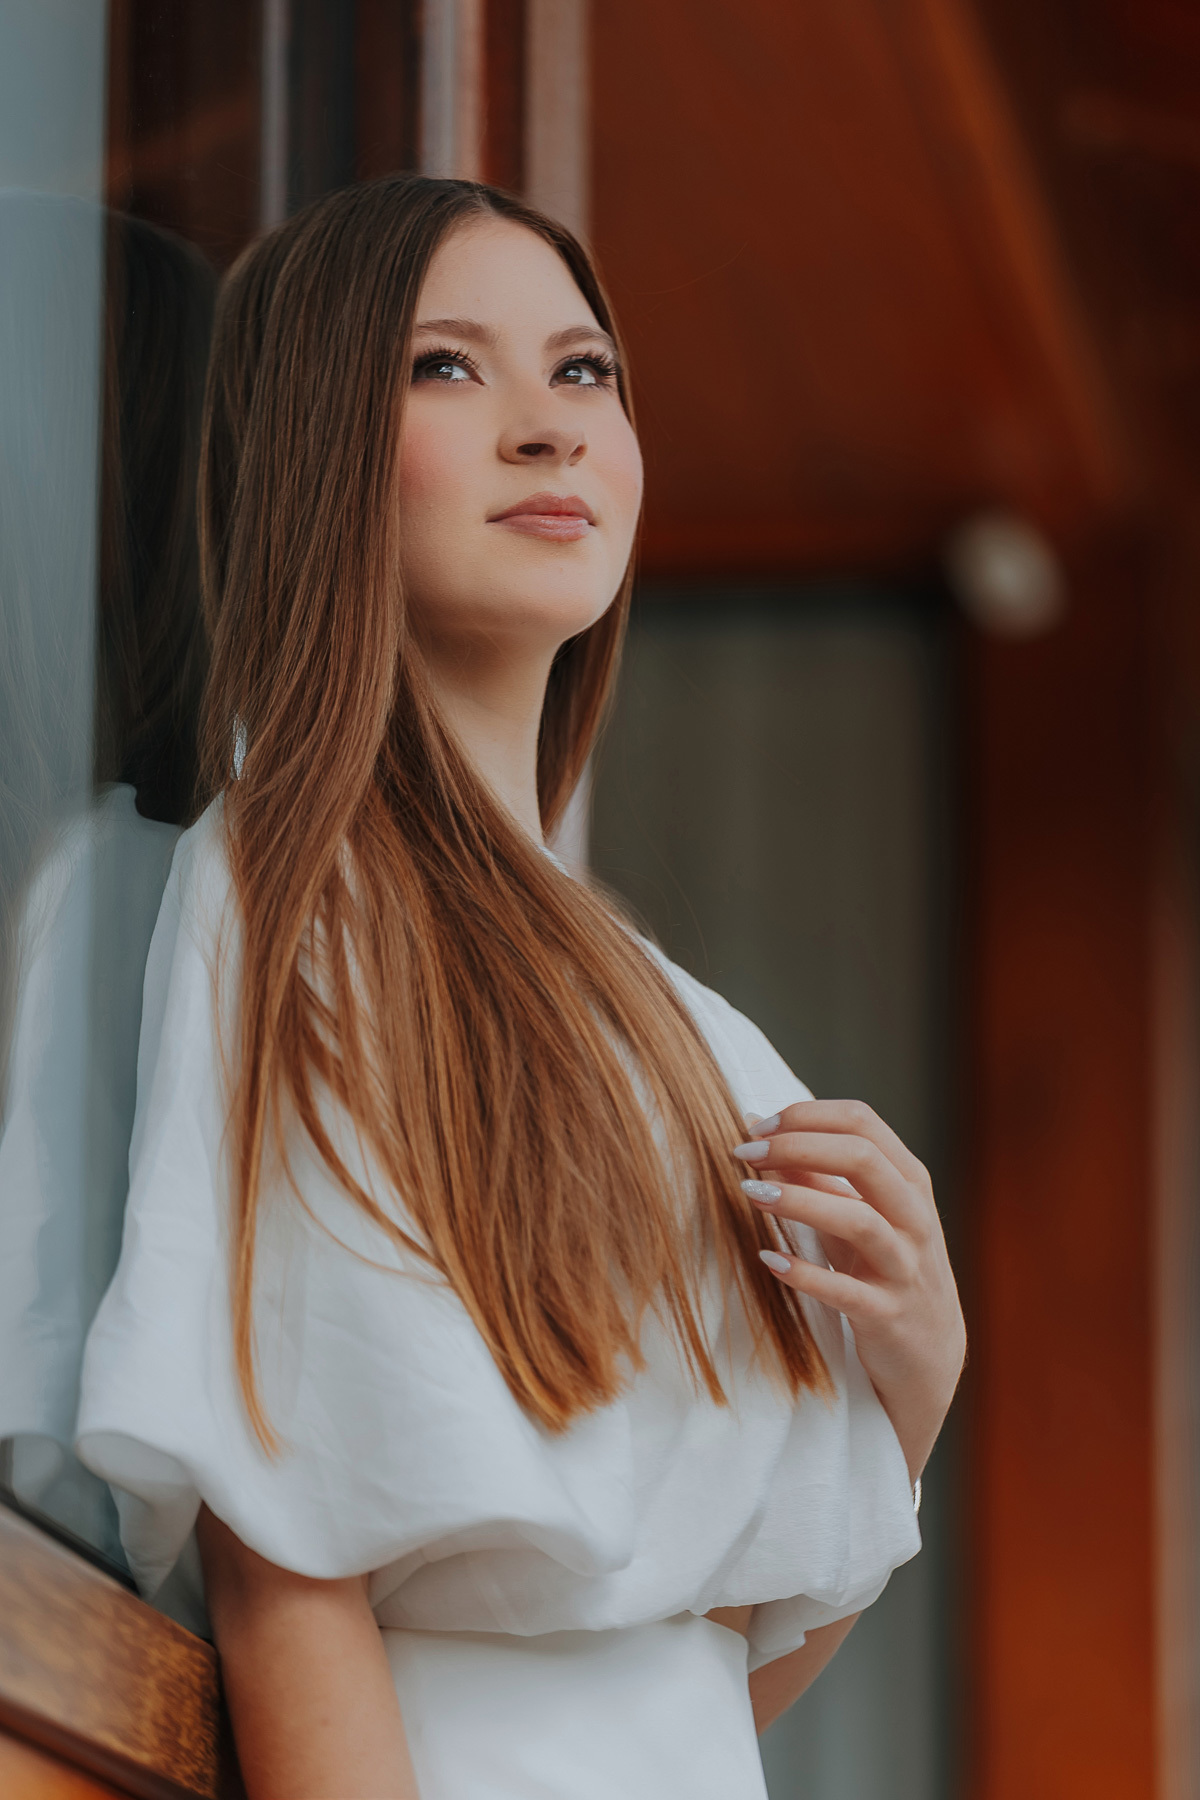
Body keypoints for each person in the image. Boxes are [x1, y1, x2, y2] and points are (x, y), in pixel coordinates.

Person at [76, 175, 965, 1800]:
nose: (551, 427)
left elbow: (697, 1659)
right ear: (314, 448)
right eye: (445, 366)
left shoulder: (696, 1031)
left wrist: (912, 1387)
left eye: (584, 371)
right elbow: (288, 1564)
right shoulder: (294, 895)